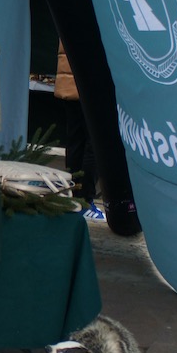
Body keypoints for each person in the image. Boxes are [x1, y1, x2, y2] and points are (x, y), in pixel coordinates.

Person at [54, 41, 106, 221]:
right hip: (91, 83)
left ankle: (73, 199)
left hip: (70, 82)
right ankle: (84, 201)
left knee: (76, 140)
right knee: (95, 143)